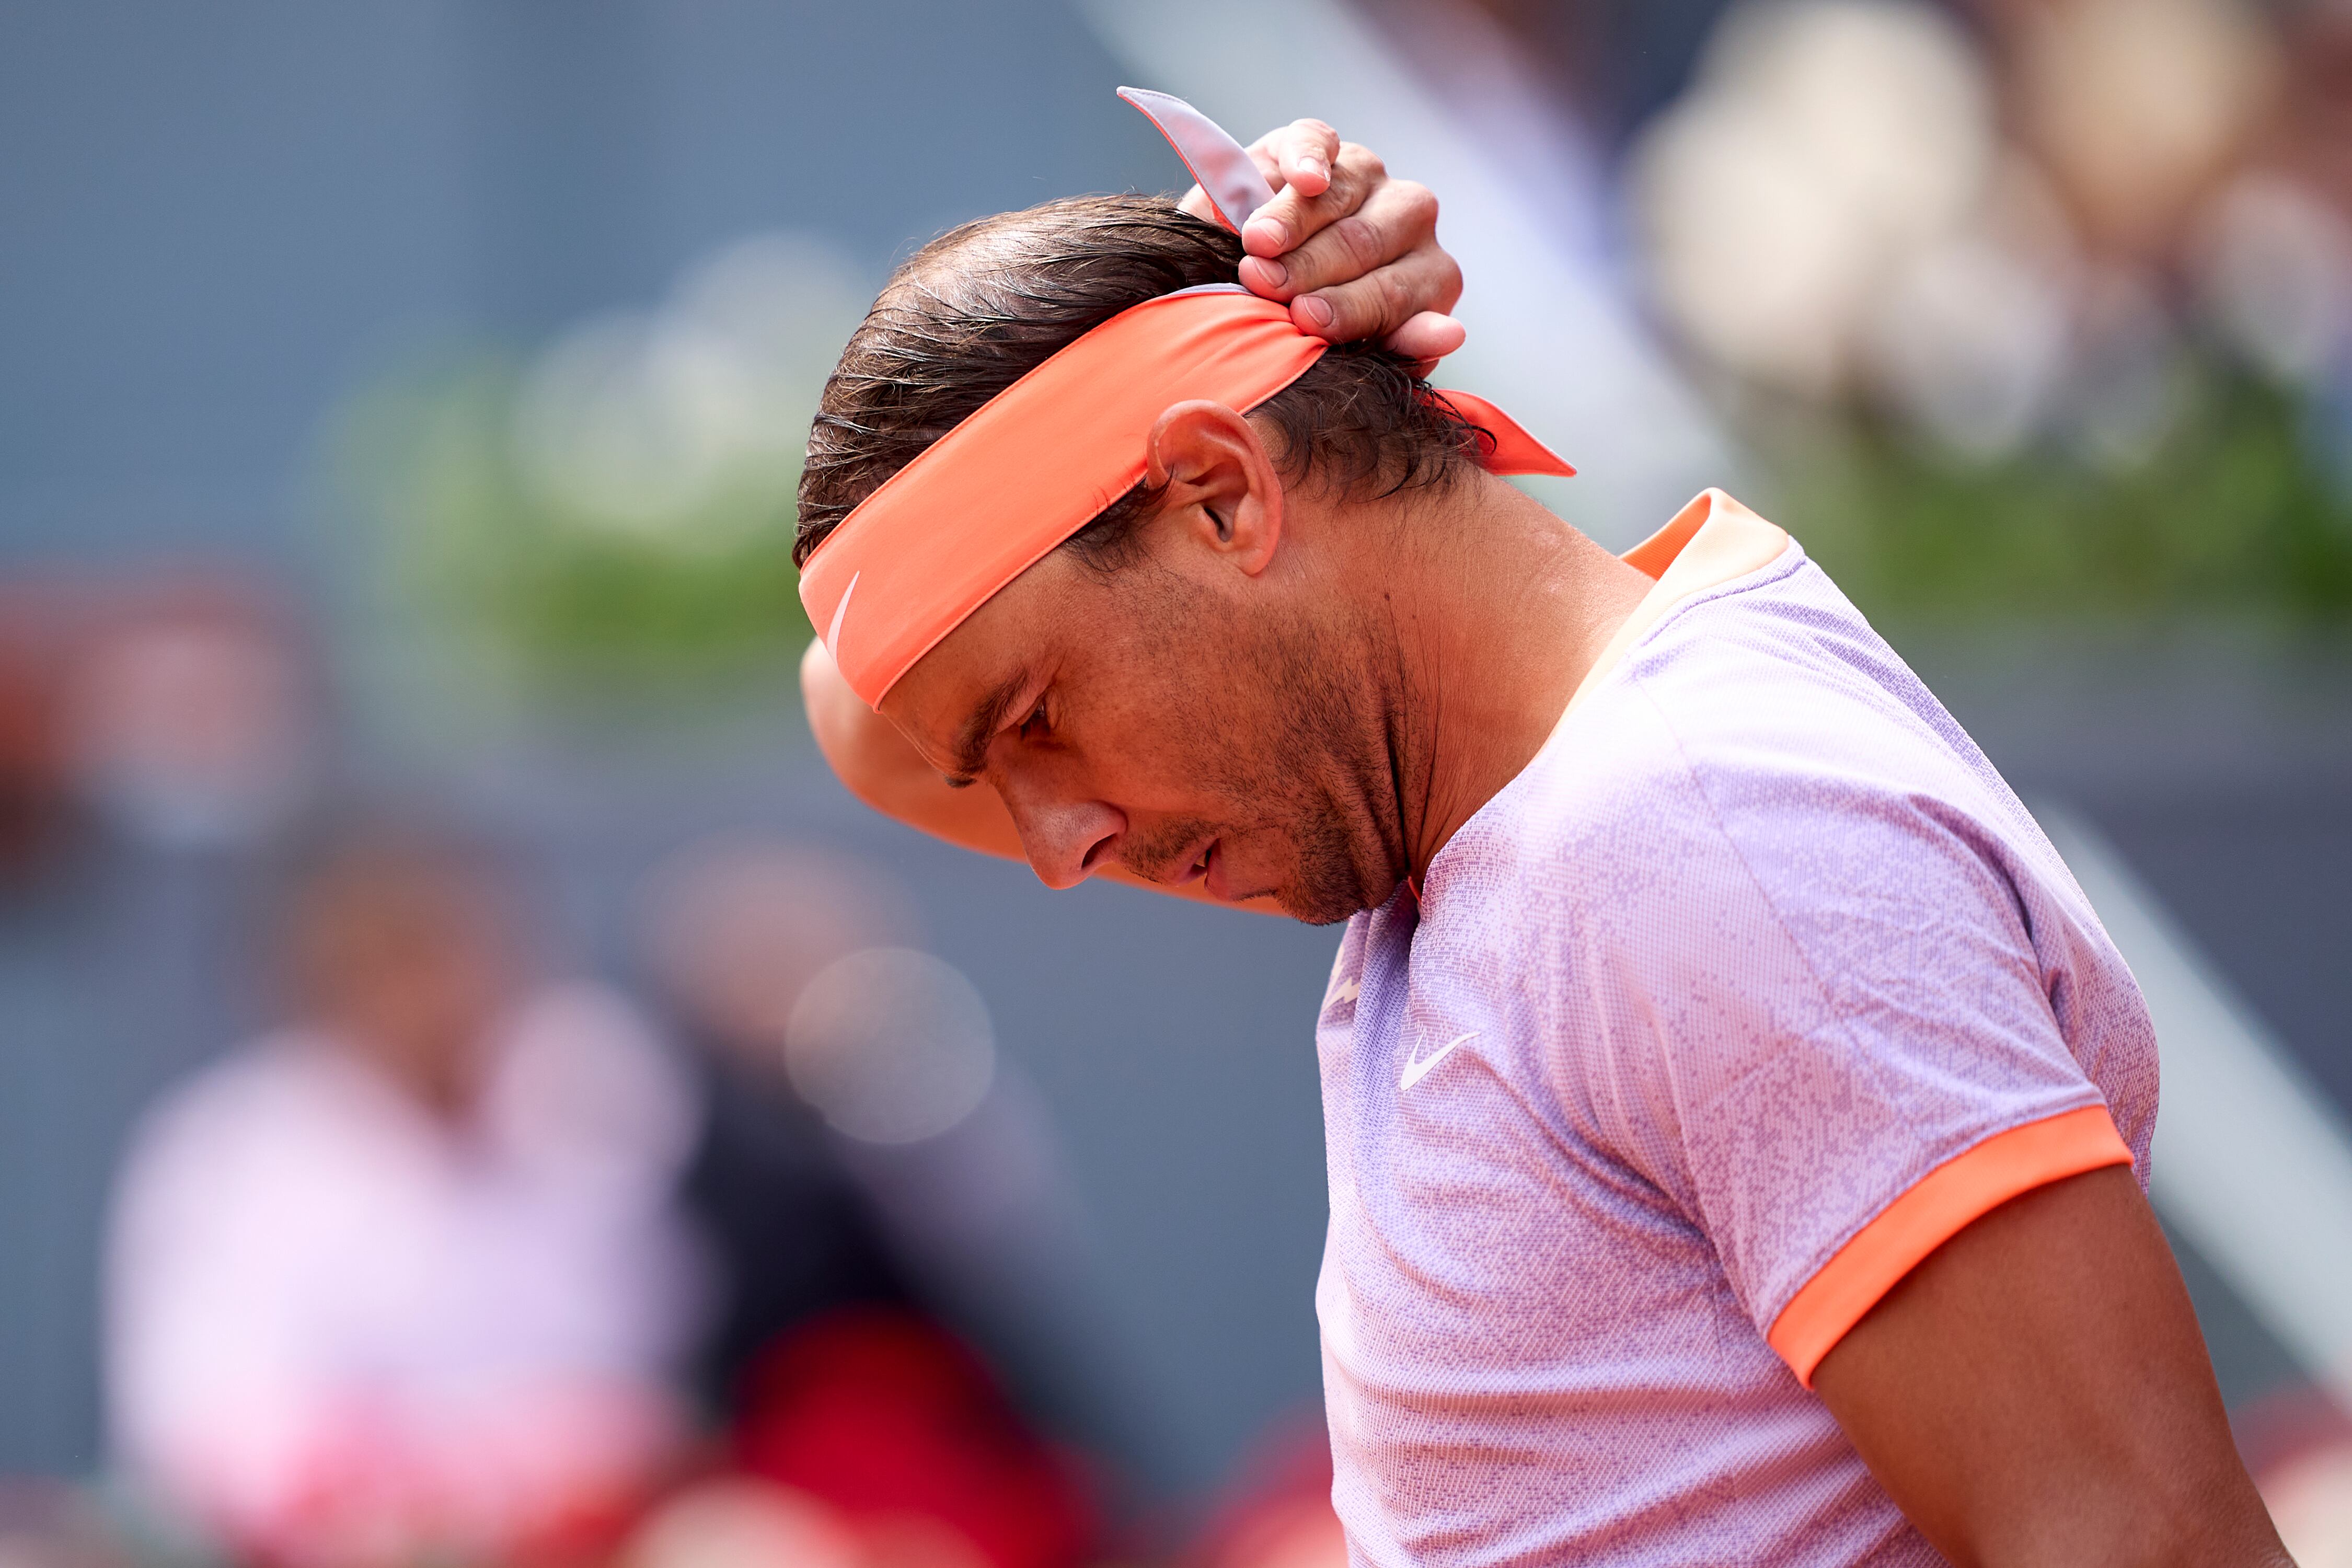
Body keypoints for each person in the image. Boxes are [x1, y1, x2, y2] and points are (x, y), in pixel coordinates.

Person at [792, 97, 2291, 1566]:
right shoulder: (1520, 812)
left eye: (1040, 717)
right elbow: (869, 723)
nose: (1053, 847)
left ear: (1217, 496)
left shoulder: (1716, 839)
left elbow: (2141, 1541)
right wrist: (1201, 272)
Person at [104, 822, 704, 1568]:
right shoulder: (232, 1156)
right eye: (393, 961)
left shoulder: (591, 1101)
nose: (440, 992)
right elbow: (219, 1440)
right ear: (313, 981)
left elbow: (650, 1378)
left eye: (457, 949)